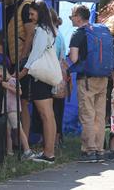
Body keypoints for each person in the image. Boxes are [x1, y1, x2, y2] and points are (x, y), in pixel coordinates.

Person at [0, 0, 35, 141]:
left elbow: (30, 33)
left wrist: (22, 60)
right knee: (12, 104)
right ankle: (15, 142)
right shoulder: (8, 8)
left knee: (22, 103)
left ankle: (24, 143)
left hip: (23, 64)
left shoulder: (25, 7)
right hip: (11, 63)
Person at [69, 5, 109, 163]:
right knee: (99, 115)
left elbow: (73, 58)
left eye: (72, 16)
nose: (71, 19)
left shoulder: (78, 34)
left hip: (86, 79)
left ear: (78, 17)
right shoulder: (98, 30)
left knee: (87, 114)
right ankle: (99, 149)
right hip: (103, 78)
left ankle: (89, 150)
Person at [19, 0, 57, 164]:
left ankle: (48, 154)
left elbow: (35, 54)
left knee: (46, 115)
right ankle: (50, 152)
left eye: (32, 13)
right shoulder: (49, 29)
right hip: (45, 77)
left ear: (39, 13)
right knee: (49, 115)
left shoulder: (41, 31)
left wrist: (22, 72)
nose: (30, 15)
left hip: (39, 77)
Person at [0, 65, 35, 159]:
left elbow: (19, 92)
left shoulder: (13, 80)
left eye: (0, 76)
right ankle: (9, 151)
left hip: (13, 109)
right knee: (8, 131)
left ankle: (27, 150)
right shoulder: (7, 82)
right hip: (7, 109)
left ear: (4, 71)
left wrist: (7, 86)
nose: (0, 79)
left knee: (18, 129)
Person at [50, 8, 66, 147]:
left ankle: (51, 140)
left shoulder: (51, 34)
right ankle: (57, 138)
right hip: (60, 76)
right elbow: (63, 58)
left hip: (50, 75)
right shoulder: (60, 35)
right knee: (58, 109)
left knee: (50, 110)